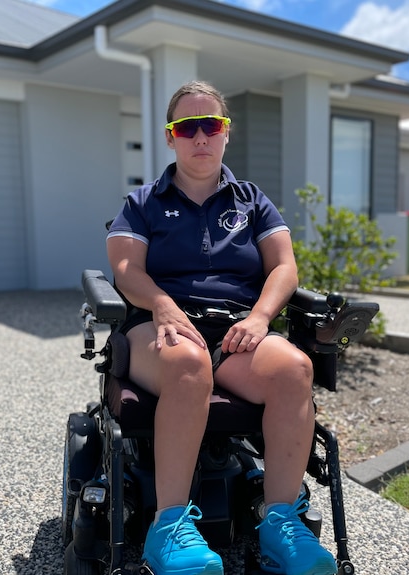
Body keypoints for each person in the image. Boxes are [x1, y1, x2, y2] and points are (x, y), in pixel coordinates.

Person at [106, 80, 337, 575]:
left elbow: (284, 269)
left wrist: (260, 317)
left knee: (295, 369)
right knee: (189, 365)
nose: (200, 137)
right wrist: (164, 306)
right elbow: (126, 270)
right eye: (187, 127)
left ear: (226, 133)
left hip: (237, 331)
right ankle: (167, 531)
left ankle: (280, 526)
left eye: (211, 125)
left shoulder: (252, 200)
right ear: (170, 138)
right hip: (159, 327)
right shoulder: (142, 203)